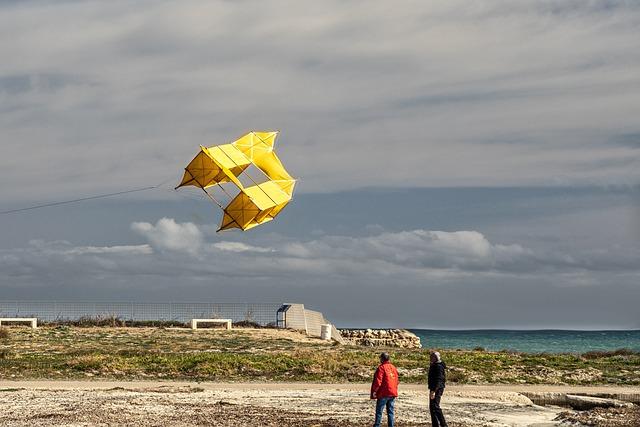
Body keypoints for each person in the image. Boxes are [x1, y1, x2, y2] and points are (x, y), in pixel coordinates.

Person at [370, 352, 399, 427]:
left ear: (382, 359)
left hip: (384, 393)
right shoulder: (393, 367)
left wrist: (375, 391)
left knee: (379, 411)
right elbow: (396, 380)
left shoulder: (381, 368)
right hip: (392, 392)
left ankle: (377, 425)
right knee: (390, 411)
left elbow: (378, 381)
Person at [428, 350, 448, 427]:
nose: (430, 358)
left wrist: (433, 391)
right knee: (432, 407)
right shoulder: (434, 365)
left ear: (435, 358)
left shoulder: (439, 366)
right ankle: (435, 425)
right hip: (433, 388)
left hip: (437, 389)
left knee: (435, 407)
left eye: (432, 357)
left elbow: (439, 380)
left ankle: (444, 424)